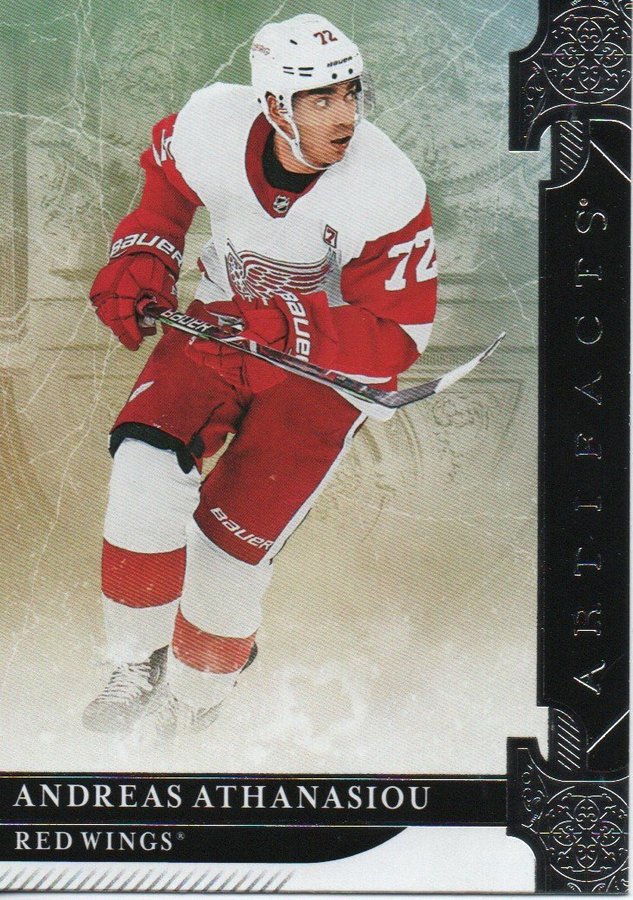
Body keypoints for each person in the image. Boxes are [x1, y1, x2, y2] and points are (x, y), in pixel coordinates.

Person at [83, 13, 437, 735]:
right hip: (219, 325)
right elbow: (166, 189)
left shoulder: (389, 184)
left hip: (325, 372)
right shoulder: (212, 121)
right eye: (321, 99)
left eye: (351, 93)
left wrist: (283, 325)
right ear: (273, 104)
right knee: (142, 471)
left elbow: (398, 337)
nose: (345, 115)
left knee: (227, 553)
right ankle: (134, 660)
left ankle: (195, 702)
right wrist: (142, 255)